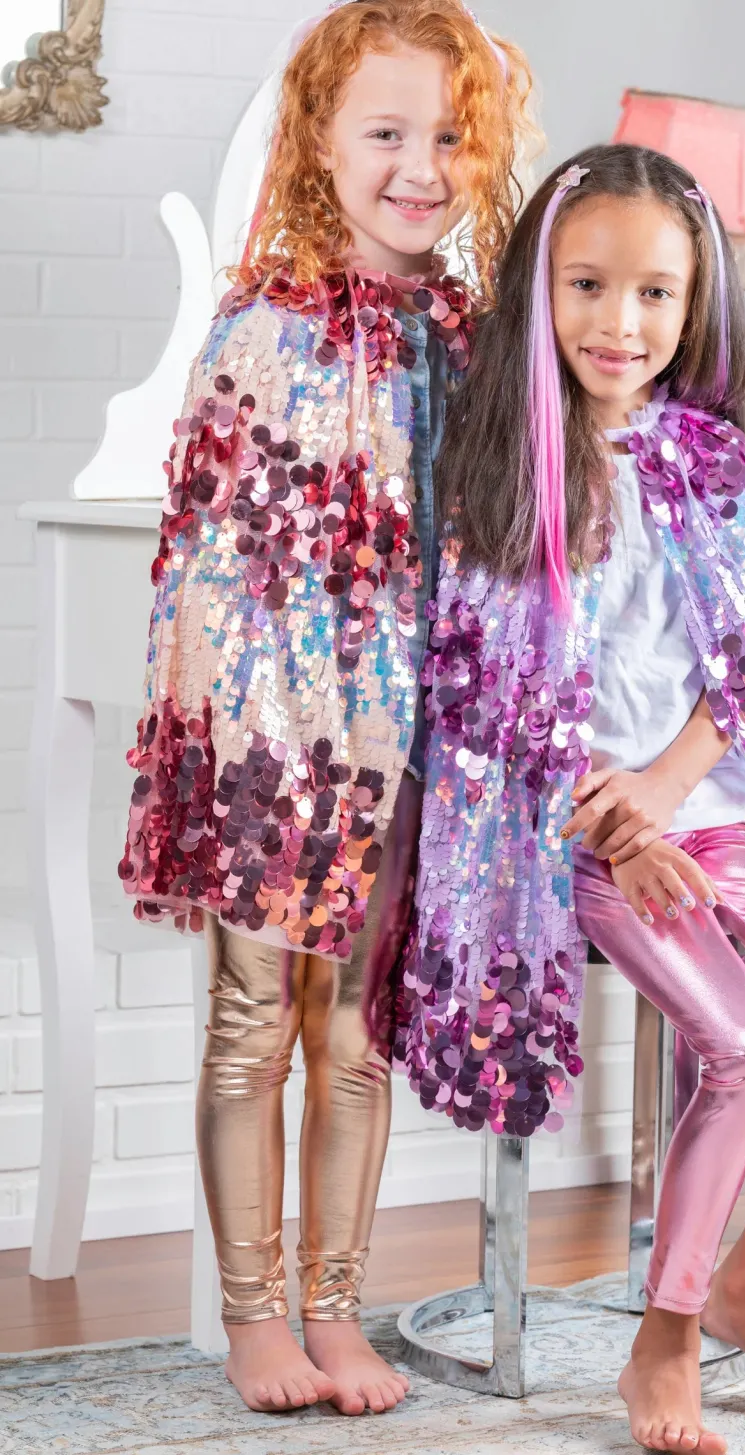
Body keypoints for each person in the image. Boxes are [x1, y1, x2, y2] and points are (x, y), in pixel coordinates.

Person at [395, 143, 745, 1453]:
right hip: (567, 833)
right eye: (587, 285)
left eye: (654, 294)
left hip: (711, 795)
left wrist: (668, 789)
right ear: (540, 288)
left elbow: (740, 666)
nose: (619, 323)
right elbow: (479, 697)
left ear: (695, 308)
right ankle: (669, 1331)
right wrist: (618, 823)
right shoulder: (494, 464)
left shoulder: (706, 457)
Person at [118, 0, 535, 1416]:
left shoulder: (474, 340)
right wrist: (252, 734)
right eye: (387, 133)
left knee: (353, 1025)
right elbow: (204, 560)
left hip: (402, 740)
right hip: (269, 733)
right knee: (255, 1019)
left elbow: (490, 542)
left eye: (451, 138)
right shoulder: (261, 326)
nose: (422, 166)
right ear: (319, 143)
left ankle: (338, 1308)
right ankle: (253, 1319)